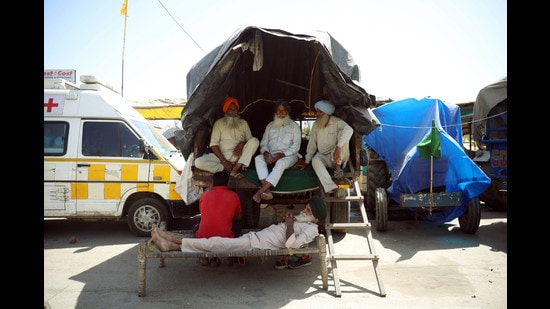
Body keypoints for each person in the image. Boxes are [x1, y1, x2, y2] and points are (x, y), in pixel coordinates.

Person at [150, 196, 327, 270]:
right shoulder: (303, 221)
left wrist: (289, 224)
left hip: (254, 244)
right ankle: (172, 242)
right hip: (254, 238)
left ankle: (171, 243)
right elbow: (286, 232)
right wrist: (285, 222)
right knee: (215, 242)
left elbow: (290, 245)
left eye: (308, 210)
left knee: (214, 243)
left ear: (315, 217)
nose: (304, 210)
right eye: (306, 207)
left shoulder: (311, 230)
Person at [293, 100, 353, 196]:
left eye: (320, 112)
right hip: (324, 156)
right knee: (315, 160)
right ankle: (332, 188)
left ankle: (338, 172)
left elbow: (349, 130)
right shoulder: (316, 125)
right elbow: (312, 144)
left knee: (343, 140)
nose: (317, 114)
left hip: (339, 156)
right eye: (317, 111)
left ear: (328, 113)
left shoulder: (337, 122)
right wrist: (306, 161)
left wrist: (338, 146)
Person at [194, 97, 259, 178]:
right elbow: (214, 145)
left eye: (235, 109)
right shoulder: (219, 123)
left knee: (255, 141)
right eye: (230, 109)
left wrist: (242, 143)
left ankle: (236, 167)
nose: (233, 112)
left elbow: (250, 141)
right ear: (225, 110)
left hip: (239, 157)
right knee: (198, 162)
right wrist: (224, 161)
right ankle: (226, 168)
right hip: (222, 157)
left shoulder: (243, 123)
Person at [252, 99, 302, 203]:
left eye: (283, 110)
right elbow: (264, 143)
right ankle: (268, 190)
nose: (281, 113)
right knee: (258, 158)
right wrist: (265, 153)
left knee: (281, 162)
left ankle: (261, 190)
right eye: (278, 110)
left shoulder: (294, 126)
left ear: (287, 112)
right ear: (275, 112)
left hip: (289, 155)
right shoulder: (270, 125)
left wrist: (282, 154)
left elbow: (296, 146)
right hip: (271, 154)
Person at [194, 171, 242, 266]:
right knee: (238, 223)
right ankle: (230, 257)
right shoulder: (234, 195)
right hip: (227, 236)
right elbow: (238, 217)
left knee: (198, 226)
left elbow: (203, 214)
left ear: (213, 182)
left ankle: (204, 258)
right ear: (227, 183)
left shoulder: (204, 195)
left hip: (204, 236)